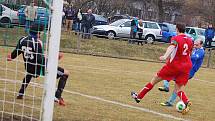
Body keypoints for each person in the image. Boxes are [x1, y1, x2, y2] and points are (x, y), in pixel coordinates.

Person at [131, 23, 193, 115]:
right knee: (178, 89)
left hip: (174, 65)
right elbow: (189, 54)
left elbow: (172, 46)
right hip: (186, 66)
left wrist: (165, 56)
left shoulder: (176, 38)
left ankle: (139, 97)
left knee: (154, 80)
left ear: (177, 29)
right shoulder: (190, 40)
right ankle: (186, 102)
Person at [7, 24, 69, 106]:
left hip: (29, 67)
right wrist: (55, 59)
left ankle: (21, 93)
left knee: (29, 74)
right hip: (39, 68)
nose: (41, 34)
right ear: (38, 33)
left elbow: (15, 53)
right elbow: (40, 60)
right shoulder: (37, 42)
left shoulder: (22, 40)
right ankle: (57, 96)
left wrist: (11, 57)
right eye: (41, 32)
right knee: (66, 73)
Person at [158, 38, 205, 106]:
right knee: (173, 80)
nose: (194, 46)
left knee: (172, 80)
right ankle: (169, 97)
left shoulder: (201, 51)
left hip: (189, 72)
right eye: (194, 44)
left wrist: (187, 54)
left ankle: (168, 91)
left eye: (196, 45)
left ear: (201, 44)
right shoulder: (195, 49)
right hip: (185, 69)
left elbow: (194, 57)